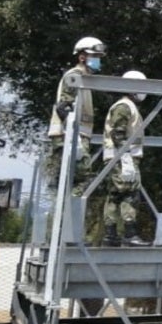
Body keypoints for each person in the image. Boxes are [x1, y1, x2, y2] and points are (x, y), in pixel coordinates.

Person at [44, 36, 106, 204]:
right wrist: (74, 137)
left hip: (76, 136)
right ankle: (68, 221)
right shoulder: (74, 76)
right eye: (96, 57)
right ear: (82, 57)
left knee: (71, 181)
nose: (98, 60)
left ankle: (66, 220)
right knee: (82, 178)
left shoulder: (84, 80)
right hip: (67, 136)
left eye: (99, 57)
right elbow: (63, 107)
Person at [102, 71, 150, 247]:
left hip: (116, 157)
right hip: (122, 158)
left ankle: (111, 235)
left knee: (114, 195)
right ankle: (129, 234)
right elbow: (118, 133)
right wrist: (126, 158)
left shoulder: (126, 106)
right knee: (129, 193)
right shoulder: (124, 106)